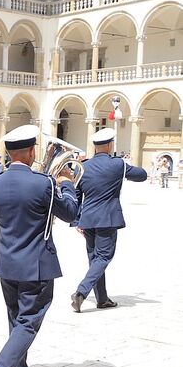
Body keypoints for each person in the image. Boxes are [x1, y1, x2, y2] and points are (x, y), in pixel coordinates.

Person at [0, 125, 79, 367]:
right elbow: (71, 213)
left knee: (16, 320)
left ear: (9, 154)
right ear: (32, 151)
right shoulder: (43, 183)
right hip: (36, 263)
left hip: (7, 261)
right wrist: (67, 183)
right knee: (29, 321)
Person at [70, 128, 148, 313]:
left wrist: (77, 221)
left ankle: (102, 299)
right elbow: (142, 175)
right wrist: (125, 166)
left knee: (95, 260)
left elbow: (76, 195)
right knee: (103, 257)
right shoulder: (117, 164)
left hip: (87, 219)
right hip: (107, 218)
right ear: (110, 145)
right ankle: (81, 292)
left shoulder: (83, 166)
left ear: (95, 147)